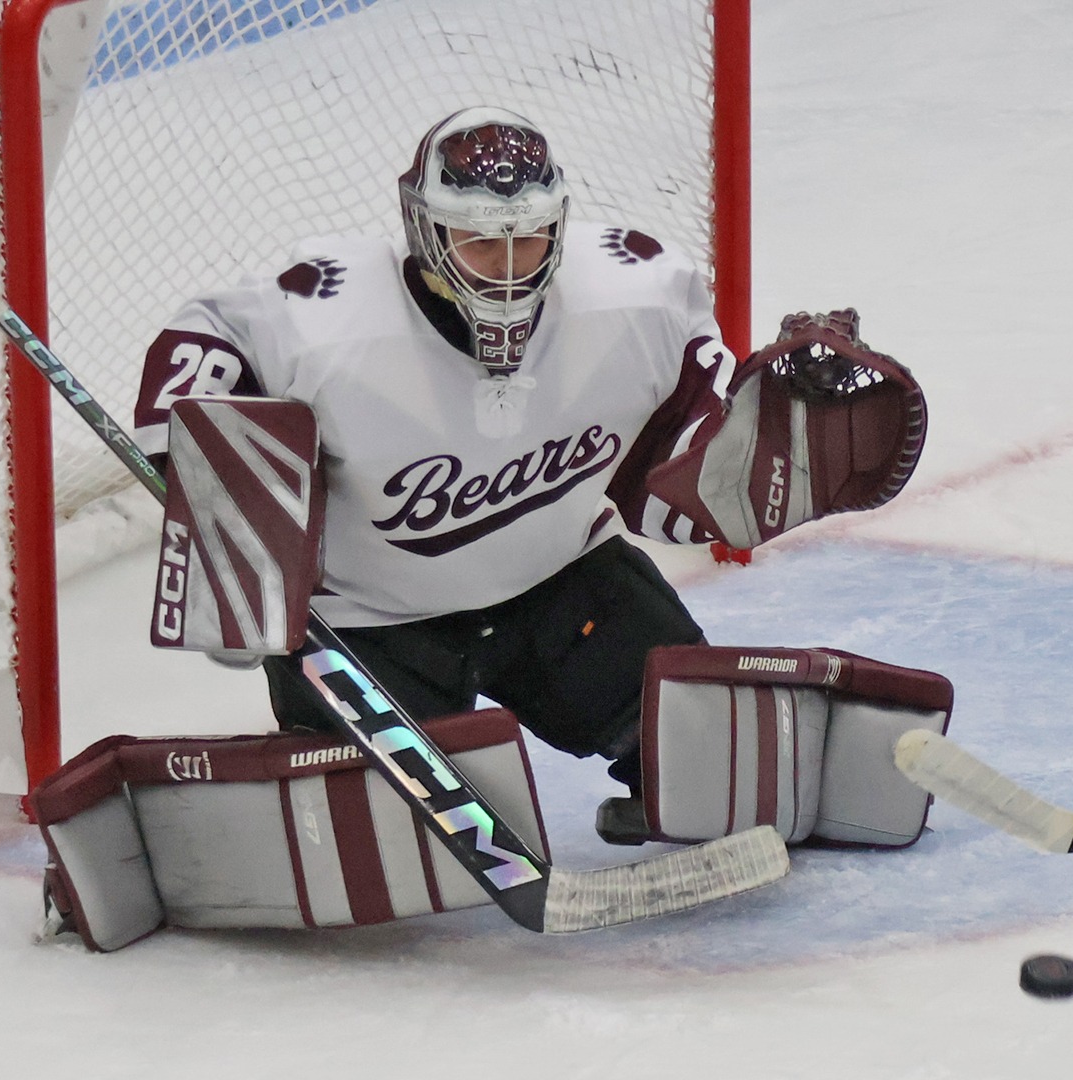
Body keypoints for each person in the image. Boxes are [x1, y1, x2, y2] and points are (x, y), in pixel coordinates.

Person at [130, 106, 922, 838]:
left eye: (530, 239)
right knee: (367, 834)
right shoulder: (322, 318)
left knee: (710, 766)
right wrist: (208, 488)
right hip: (371, 629)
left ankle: (665, 758)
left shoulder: (635, 296)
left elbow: (674, 476)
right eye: (479, 242)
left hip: (562, 590)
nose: (507, 267)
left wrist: (758, 439)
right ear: (425, 231)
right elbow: (205, 338)